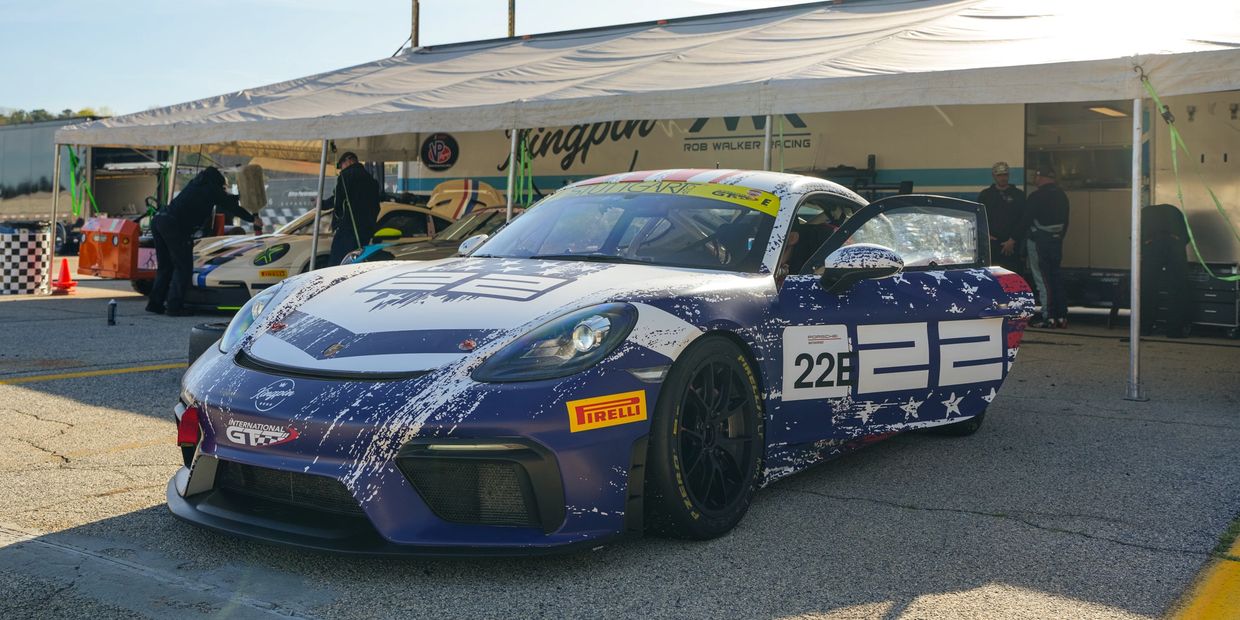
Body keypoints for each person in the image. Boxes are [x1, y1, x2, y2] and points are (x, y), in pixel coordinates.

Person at [147, 167, 259, 316]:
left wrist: (238, 197)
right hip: (174, 225)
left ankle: (155, 304)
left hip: (159, 220)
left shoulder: (196, 185)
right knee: (183, 266)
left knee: (165, 266)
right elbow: (231, 206)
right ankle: (174, 306)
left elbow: (225, 199)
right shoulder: (212, 189)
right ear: (217, 180)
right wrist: (252, 219)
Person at [1022, 167, 1070, 328]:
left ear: (1041, 177)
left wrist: (1015, 239)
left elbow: (1026, 220)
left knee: (1043, 280)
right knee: (1056, 277)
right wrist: (1058, 237)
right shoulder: (1062, 196)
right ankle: (1062, 316)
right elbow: (1066, 221)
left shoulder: (1036, 196)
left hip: (1039, 243)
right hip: (1056, 242)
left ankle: (1048, 317)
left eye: (1036, 176)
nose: (1035, 179)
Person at [1140, 203, 1192, 337]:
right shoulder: (1173, 211)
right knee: (1178, 288)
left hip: (1151, 246)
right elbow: (1186, 237)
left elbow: (1135, 238)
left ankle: (1145, 327)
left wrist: (1147, 244)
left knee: (1147, 287)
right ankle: (1175, 330)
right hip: (1174, 244)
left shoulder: (1145, 213)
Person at [320, 151, 381, 266]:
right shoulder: (372, 180)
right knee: (358, 262)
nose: (341, 169)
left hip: (348, 229)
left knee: (338, 263)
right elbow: (377, 206)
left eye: (341, 165)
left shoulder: (345, 176)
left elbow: (338, 201)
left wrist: (322, 205)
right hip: (366, 230)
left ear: (348, 160)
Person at [977, 161, 1026, 273]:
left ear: (1009, 175)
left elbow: (1023, 220)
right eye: (999, 175)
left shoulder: (1018, 195)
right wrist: (986, 235)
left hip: (1013, 245)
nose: (1003, 178)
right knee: (992, 276)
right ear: (994, 176)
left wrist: (1013, 240)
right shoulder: (986, 195)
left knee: (1013, 276)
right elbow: (979, 217)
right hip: (992, 244)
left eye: (1005, 175)